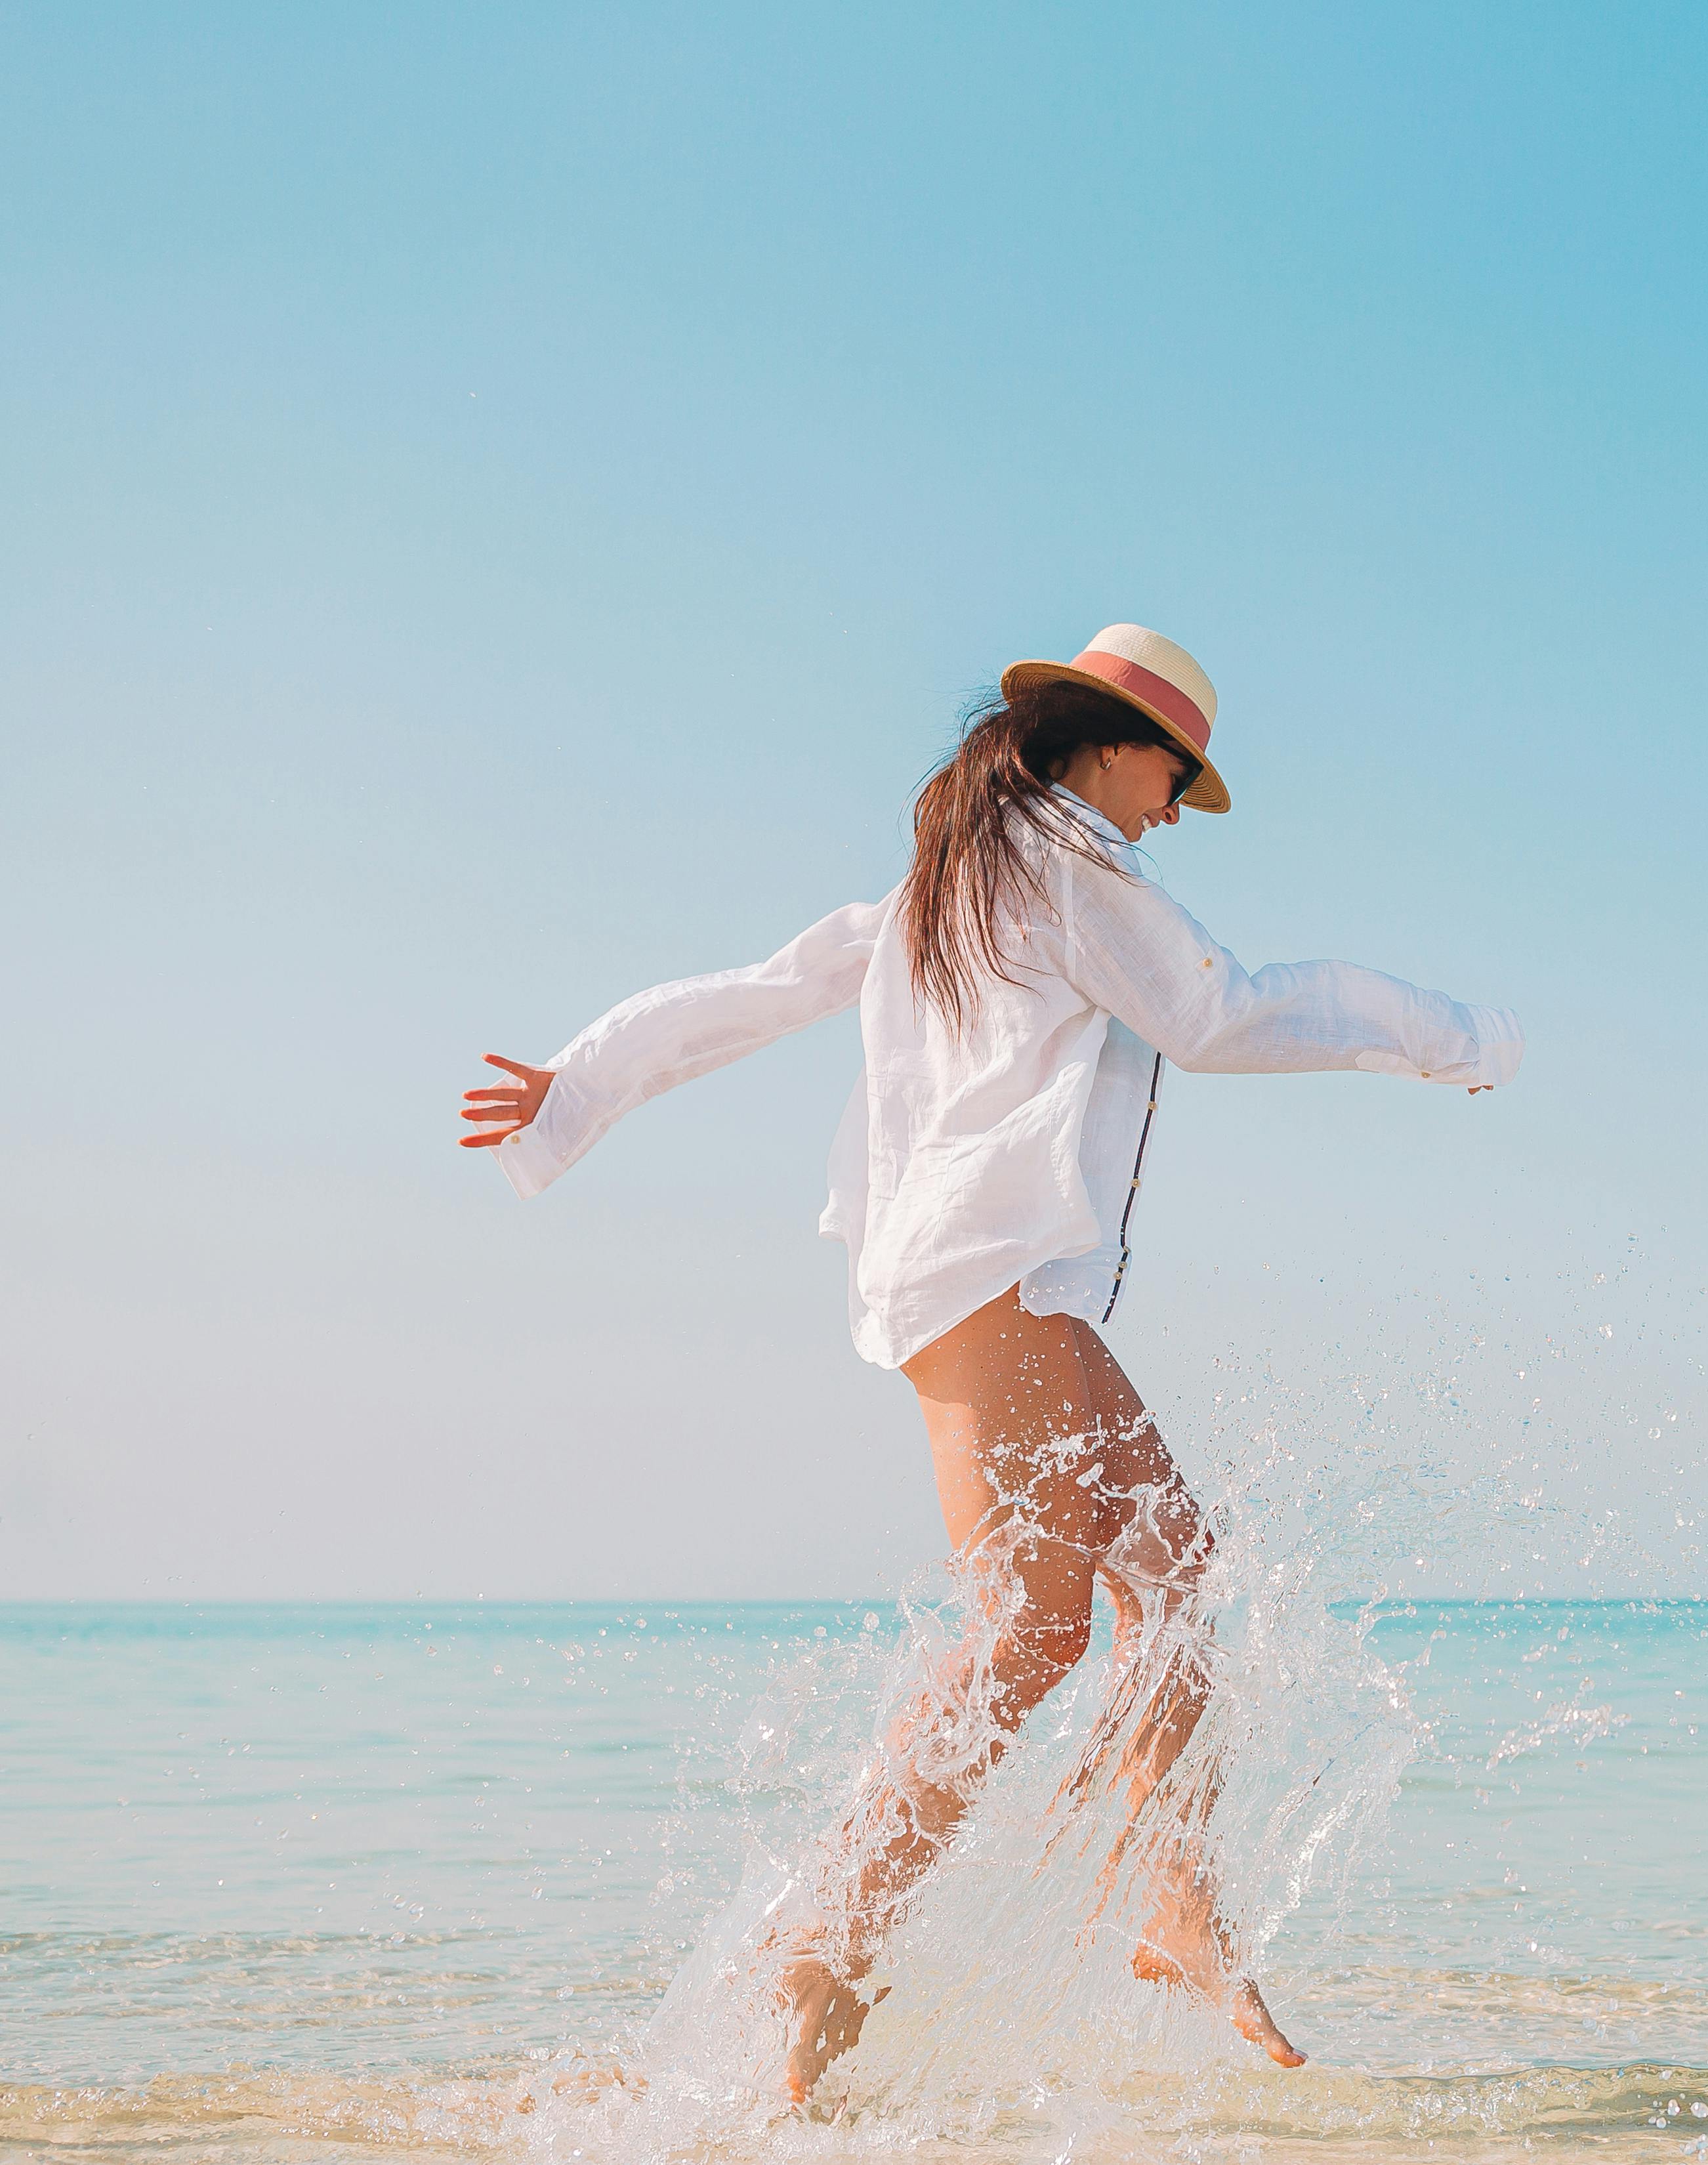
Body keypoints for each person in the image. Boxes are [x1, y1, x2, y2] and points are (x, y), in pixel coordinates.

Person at [455, 625, 1520, 2103]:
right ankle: (831, 1931)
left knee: (1177, 1573)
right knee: (1031, 1626)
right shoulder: (1067, 864)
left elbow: (762, 990)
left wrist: (580, 1084)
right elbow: (1217, 1013)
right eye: (1175, 771)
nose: (1175, 804)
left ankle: (1169, 1898)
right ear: (1106, 742)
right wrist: (1459, 1038)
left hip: (1004, 1277)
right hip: (981, 1273)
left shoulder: (961, 868)